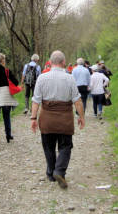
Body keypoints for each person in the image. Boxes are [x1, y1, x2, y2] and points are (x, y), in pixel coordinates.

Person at [30, 50, 85, 189]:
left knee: (48, 146)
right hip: (65, 118)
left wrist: (33, 118)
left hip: (47, 118)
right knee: (65, 146)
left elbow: (36, 100)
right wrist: (81, 117)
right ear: (63, 62)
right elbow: (77, 101)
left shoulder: (42, 78)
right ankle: (59, 171)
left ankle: (51, 172)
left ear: (50, 62)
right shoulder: (69, 78)